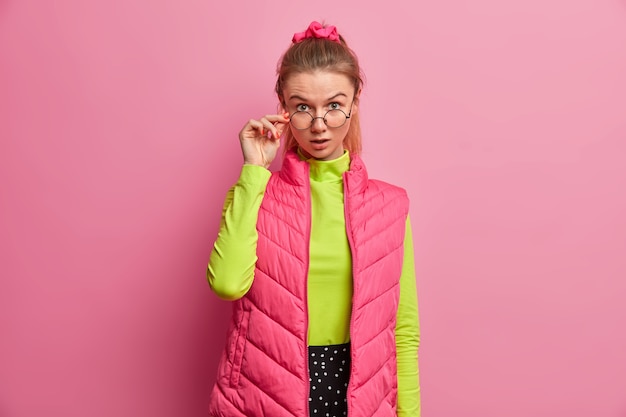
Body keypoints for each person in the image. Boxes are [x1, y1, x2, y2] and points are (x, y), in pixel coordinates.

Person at [207, 21, 420, 417]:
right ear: (283, 106)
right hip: (264, 394)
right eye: (303, 107)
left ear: (355, 101)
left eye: (334, 106)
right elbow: (226, 284)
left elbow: (402, 332)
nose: (319, 125)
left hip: (360, 395)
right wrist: (254, 170)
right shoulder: (253, 195)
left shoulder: (391, 207)